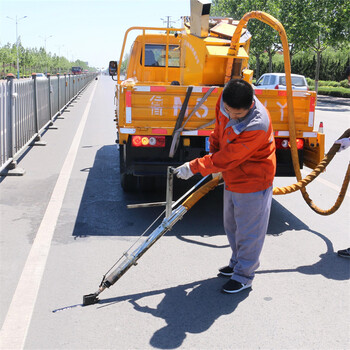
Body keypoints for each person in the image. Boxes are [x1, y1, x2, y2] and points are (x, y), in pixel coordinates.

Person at [174, 79, 276, 293]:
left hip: (253, 179)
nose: (232, 117)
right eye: (229, 111)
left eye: (238, 115)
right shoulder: (224, 101)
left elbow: (230, 157)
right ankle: (237, 262)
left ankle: (244, 275)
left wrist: (195, 166)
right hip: (232, 176)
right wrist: (213, 153)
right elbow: (219, 131)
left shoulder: (257, 124)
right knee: (232, 225)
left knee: (249, 230)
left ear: (250, 105)